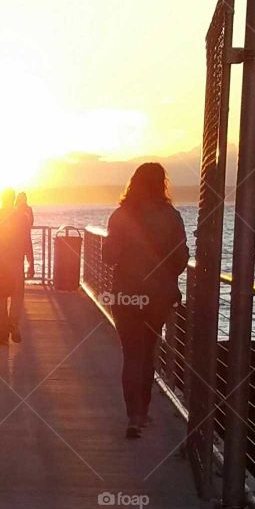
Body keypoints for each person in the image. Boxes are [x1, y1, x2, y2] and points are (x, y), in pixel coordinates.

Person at [103, 163, 189, 439]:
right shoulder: (172, 216)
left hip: (127, 292)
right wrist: (166, 276)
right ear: (161, 183)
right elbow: (181, 257)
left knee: (131, 354)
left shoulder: (120, 216)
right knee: (149, 349)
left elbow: (109, 256)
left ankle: (132, 416)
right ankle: (144, 412)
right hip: (158, 294)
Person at [0, 188, 35, 345]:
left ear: (1, 198)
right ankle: (13, 324)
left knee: (0, 297)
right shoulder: (22, 217)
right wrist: (31, 262)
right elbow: (27, 241)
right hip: (16, 261)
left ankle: (3, 331)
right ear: (13, 199)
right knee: (17, 295)